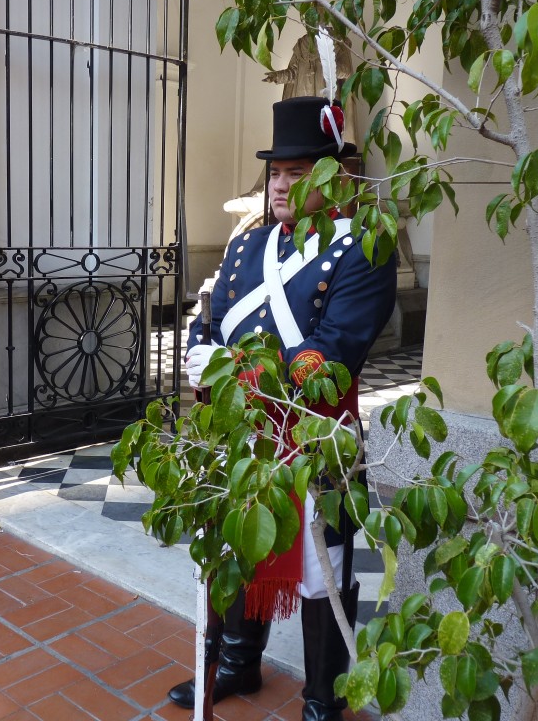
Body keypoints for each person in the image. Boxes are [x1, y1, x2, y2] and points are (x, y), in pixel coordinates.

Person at [173, 97, 397, 721]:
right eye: (275, 171)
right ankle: (240, 662)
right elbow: (210, 318)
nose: (279, 184)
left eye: (297, 173)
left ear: (335, 177)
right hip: (243, 433)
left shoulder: (365, 250)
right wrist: (199, 355)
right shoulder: (247, 247)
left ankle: (322, 696)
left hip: (314, 435)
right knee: (240, 540)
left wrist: (230, 370)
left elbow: (330, 359)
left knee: (322, 568)